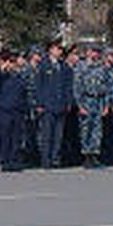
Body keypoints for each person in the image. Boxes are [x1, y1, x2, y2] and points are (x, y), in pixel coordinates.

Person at [35, 40, 72, 169]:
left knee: (58, 135)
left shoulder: (64, 66)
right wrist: (39, 103)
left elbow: (68, 86)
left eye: (60, 49)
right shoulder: (43, 65)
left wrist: (68, 102)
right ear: (50, 50)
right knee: (47, 135)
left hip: (61, 105)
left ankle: (56, 159)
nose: (59, 51)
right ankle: (46, 160)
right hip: (47, 105)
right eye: (56, 49)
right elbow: (38, 86)